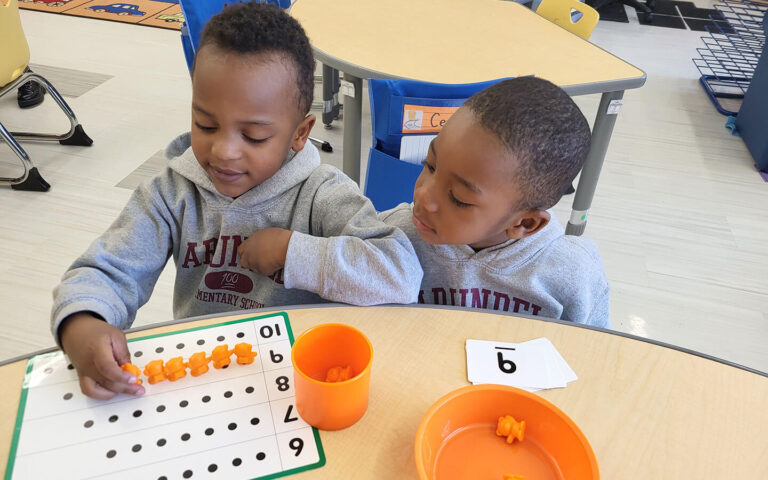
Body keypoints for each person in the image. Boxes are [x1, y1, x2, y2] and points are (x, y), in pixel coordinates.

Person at [52, 2, 422, 400]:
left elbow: (400, 275)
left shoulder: (323, 193)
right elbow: (108, 269)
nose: (223, 151)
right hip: (203, 373)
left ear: (300, 134)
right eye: (206, 125)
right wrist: (83, 319)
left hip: (297, 379)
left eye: (254, 136)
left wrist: (292, 251)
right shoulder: (170, 194)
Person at [380, 77, 609, 328]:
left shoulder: (573, 276)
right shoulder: (393, 234)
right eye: (430, 165)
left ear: (525, 223)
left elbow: (593, 353)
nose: (423, 196)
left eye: (458, 198)